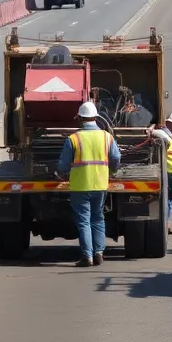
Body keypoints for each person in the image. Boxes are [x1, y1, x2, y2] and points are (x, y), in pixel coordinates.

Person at [57, 101, 121, 267]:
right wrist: (112, 172)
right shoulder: (107, 137)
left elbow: (63, 165)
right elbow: (116, 158)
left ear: (79, 118)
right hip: (100, 184)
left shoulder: (74, 139)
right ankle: (99, 253)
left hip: (80, 186)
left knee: (84, 221)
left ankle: (87, 256)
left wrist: (61, 174)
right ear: (95, 118)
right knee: (98, 218)